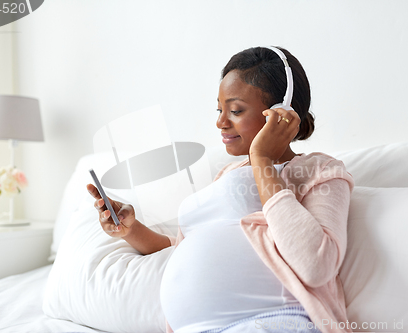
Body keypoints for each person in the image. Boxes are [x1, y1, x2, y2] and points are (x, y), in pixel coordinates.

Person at [87, 46, 355, 333]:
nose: (220, 122)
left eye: (235, 110)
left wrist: (262, 159)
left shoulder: (319, 170)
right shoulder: (226, 175)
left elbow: (316, 265)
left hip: (273, 320)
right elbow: (183, 249)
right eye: (220, 109)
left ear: (281, 114)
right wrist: (131, 229)